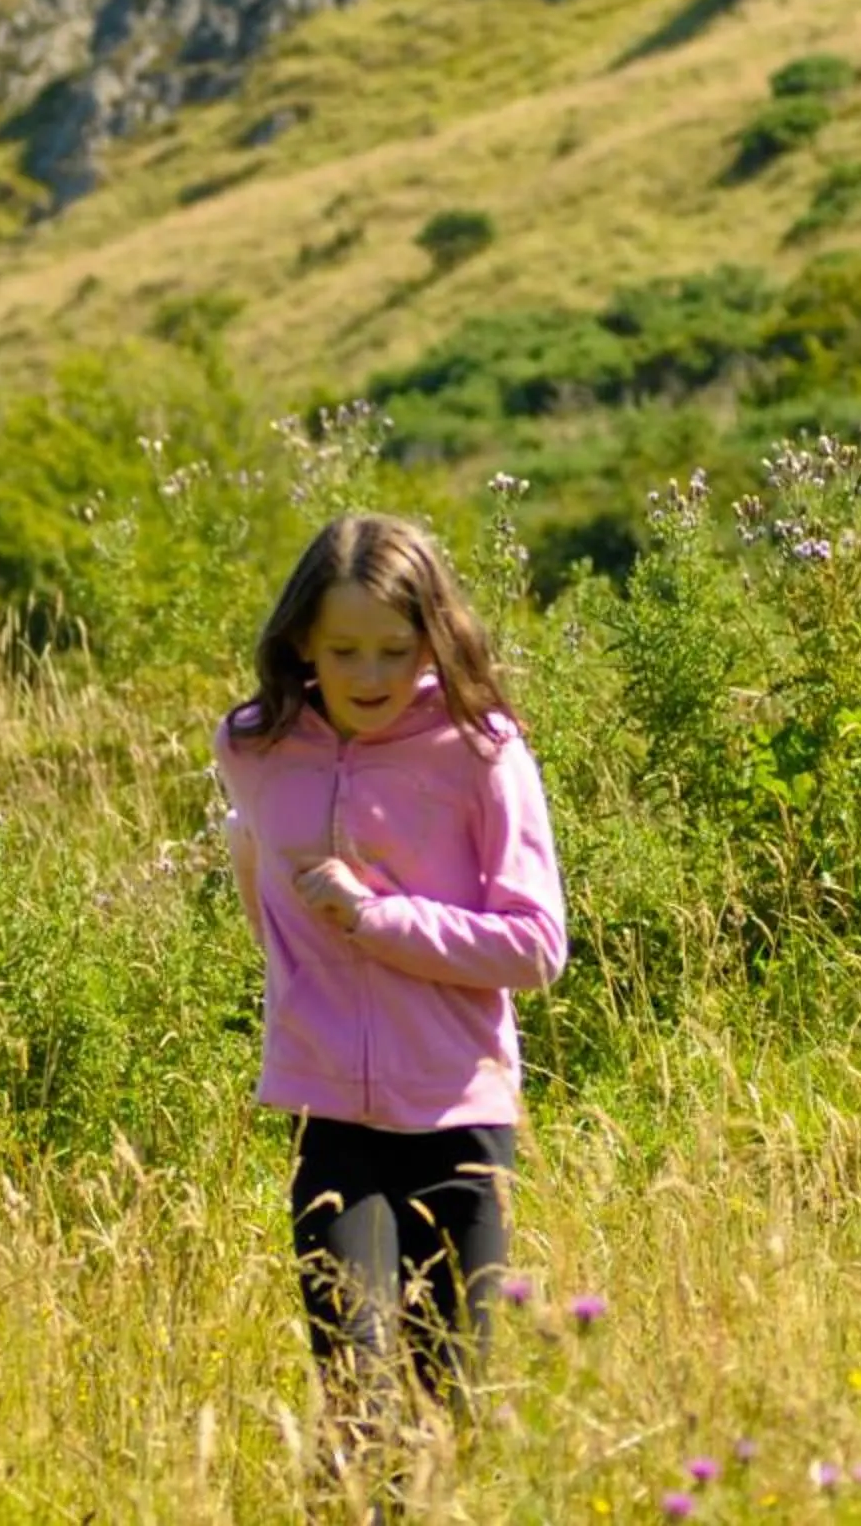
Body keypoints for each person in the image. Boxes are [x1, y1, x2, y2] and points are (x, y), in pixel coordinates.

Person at [212, 512, 569, 1458]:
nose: (370, 674)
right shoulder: (251, 746)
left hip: (459, 1115)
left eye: (395, 650)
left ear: (433, 640)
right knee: (357, 1402)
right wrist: (298, 989)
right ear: (301, 643)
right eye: (344, 650)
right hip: (328, 1114)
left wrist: (376, 919)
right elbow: (253, 861)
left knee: (444, 1410)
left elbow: (537, 947)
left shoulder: (482, 751)